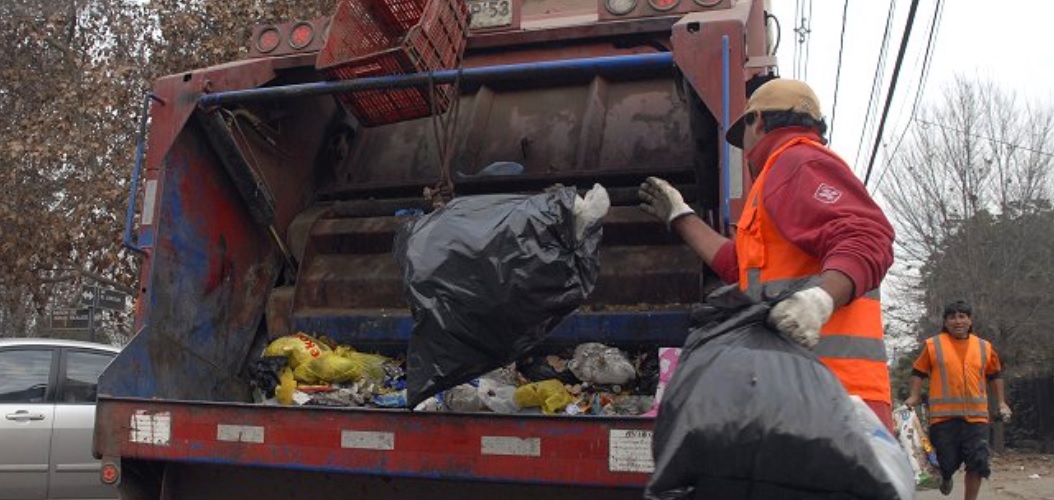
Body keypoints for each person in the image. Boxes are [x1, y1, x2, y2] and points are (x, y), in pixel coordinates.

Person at [637, 78, 896, 430]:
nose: (742, 148)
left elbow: (867, 236)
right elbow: (740, 267)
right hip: (805, 390)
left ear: (756, 121)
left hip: (835, 393)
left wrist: (821, 300)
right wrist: (681, 217)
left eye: (741, 133)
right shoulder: (777, 178)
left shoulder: (798, 162)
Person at [905, 300, 1011, 499]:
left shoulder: (984, 347)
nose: (957, 321)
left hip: (976, 419)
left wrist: (1001, 402)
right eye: (952, 317)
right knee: (945, 462)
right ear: (945, 322)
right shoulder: (933, 345)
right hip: (944, 420)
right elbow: (918, 372)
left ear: (970, 321)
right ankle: (946, 476)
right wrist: (914, 396)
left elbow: (995, 375)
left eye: (962, 316)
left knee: (978, 462)